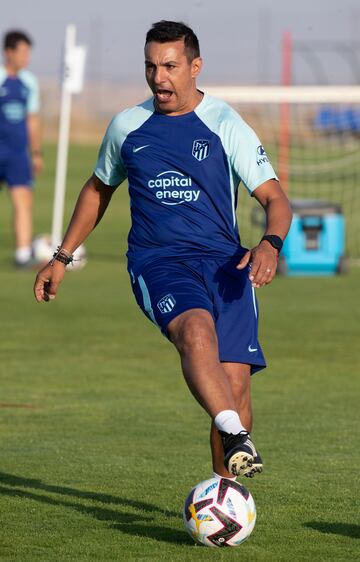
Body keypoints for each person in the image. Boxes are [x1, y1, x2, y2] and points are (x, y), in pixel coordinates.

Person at [34, 21, 292, 480]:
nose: (159, 78)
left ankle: (226, 494)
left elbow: (275, 199)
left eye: (170, 66)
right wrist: (62, 256)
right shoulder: (128, 127)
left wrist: (270, 244)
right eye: (151, 67)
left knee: (233, 390)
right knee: (195, 333)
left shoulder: (225, 123)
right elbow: (98, 189)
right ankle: (234, 436)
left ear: (195, 67)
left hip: (227, 265)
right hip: (159, 263)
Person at [0, 30, 43, 267]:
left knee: (23, 200)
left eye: (29, 52)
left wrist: (35, 153)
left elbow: (33, 119)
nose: (26, 57)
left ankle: (23, 254)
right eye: (22, 52)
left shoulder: (29, 82)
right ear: (8, 52)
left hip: (17, 154)